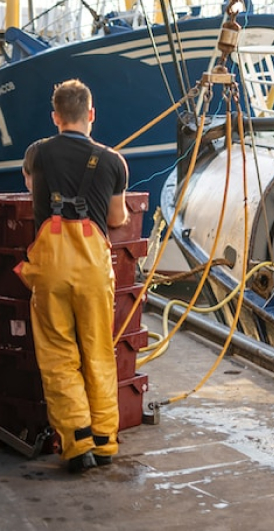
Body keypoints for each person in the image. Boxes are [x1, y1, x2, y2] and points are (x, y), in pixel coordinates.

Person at [15, 79, 129, 473]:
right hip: (93, 270)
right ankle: (104, 440)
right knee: (97, 351)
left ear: (55, 117)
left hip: (50, 268)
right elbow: (116, 219)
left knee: (59, 355)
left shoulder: (37, 153)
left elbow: (32, 190)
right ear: (91, 115)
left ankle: (77, 444)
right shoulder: (113, 161)